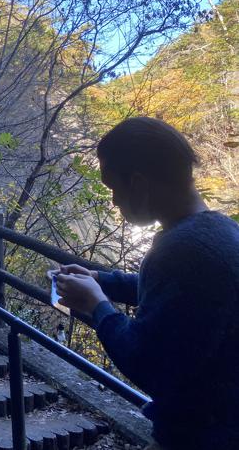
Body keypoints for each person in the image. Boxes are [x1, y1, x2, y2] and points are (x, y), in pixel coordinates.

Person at [54, 117, 239, 450]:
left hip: (197, 437)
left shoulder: (180, 249)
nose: (113, 201)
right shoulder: (218, 231)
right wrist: (102, 281)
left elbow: (147, 363)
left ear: (138, 184)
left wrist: (97, 306)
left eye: (113, 189)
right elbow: (180, 297)